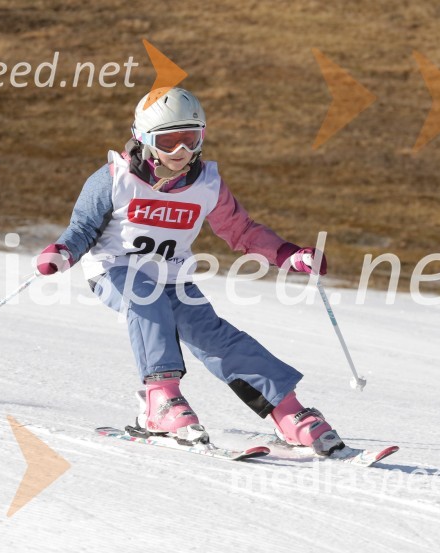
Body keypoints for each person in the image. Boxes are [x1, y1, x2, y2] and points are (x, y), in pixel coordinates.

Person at [36, 87, 345, 455]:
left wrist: (288, 254)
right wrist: (62, 253)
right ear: (144, 140)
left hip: (172, 276)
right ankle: (161, 401)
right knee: (145, 299)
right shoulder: (113, 179)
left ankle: (288, 412)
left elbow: (241, 231)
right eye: (169, 142)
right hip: (113, 269)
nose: (181, 153)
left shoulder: (206, 184)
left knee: (214, 337)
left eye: (190, 139)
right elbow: (83, 229)